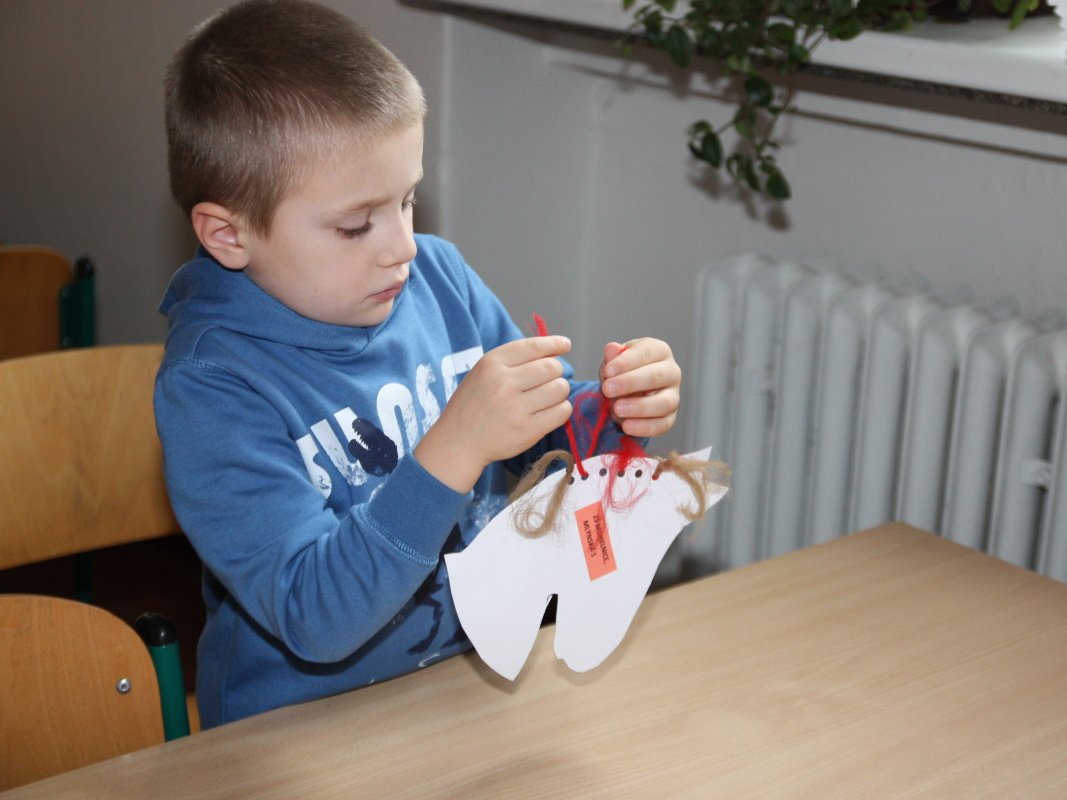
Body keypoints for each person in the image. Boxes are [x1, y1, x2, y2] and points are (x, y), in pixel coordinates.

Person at [155, 0, 681, 727]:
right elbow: (313, 616)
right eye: (355, 225)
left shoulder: (437, 278)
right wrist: (454, 448)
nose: (403, 245)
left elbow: (541, 443)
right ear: (228, 234)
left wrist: (615, 410)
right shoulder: (212, 386)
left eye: (407, 201)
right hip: (294, 727)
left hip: (465, 684)